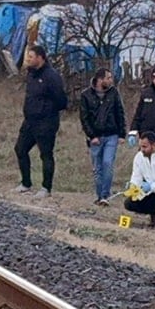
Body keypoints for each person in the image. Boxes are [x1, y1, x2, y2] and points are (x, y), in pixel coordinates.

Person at [13, 45, 68, 198]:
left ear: (40, 57)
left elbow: (62, 101)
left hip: (46, 122)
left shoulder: (52, 76)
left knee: (45, 154)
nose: (28, 60)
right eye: (27, 57)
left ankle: (46, 188)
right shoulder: (30, 74)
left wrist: (46, 110)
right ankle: (26, 183)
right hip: (29, 120)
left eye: (31, 57)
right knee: (20, 149)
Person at [79, 67, 125, 206]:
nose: (111, 80)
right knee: (97, 168)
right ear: (100, 80)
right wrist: (91, 135)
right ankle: (99, 195)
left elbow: (119, 112)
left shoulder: (113, 93)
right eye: (108, 78)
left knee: (107, 163)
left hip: (111, 134)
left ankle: (105, 194)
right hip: (95, 137)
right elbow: (84, 117)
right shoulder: (86, 95)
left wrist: (122, 133)